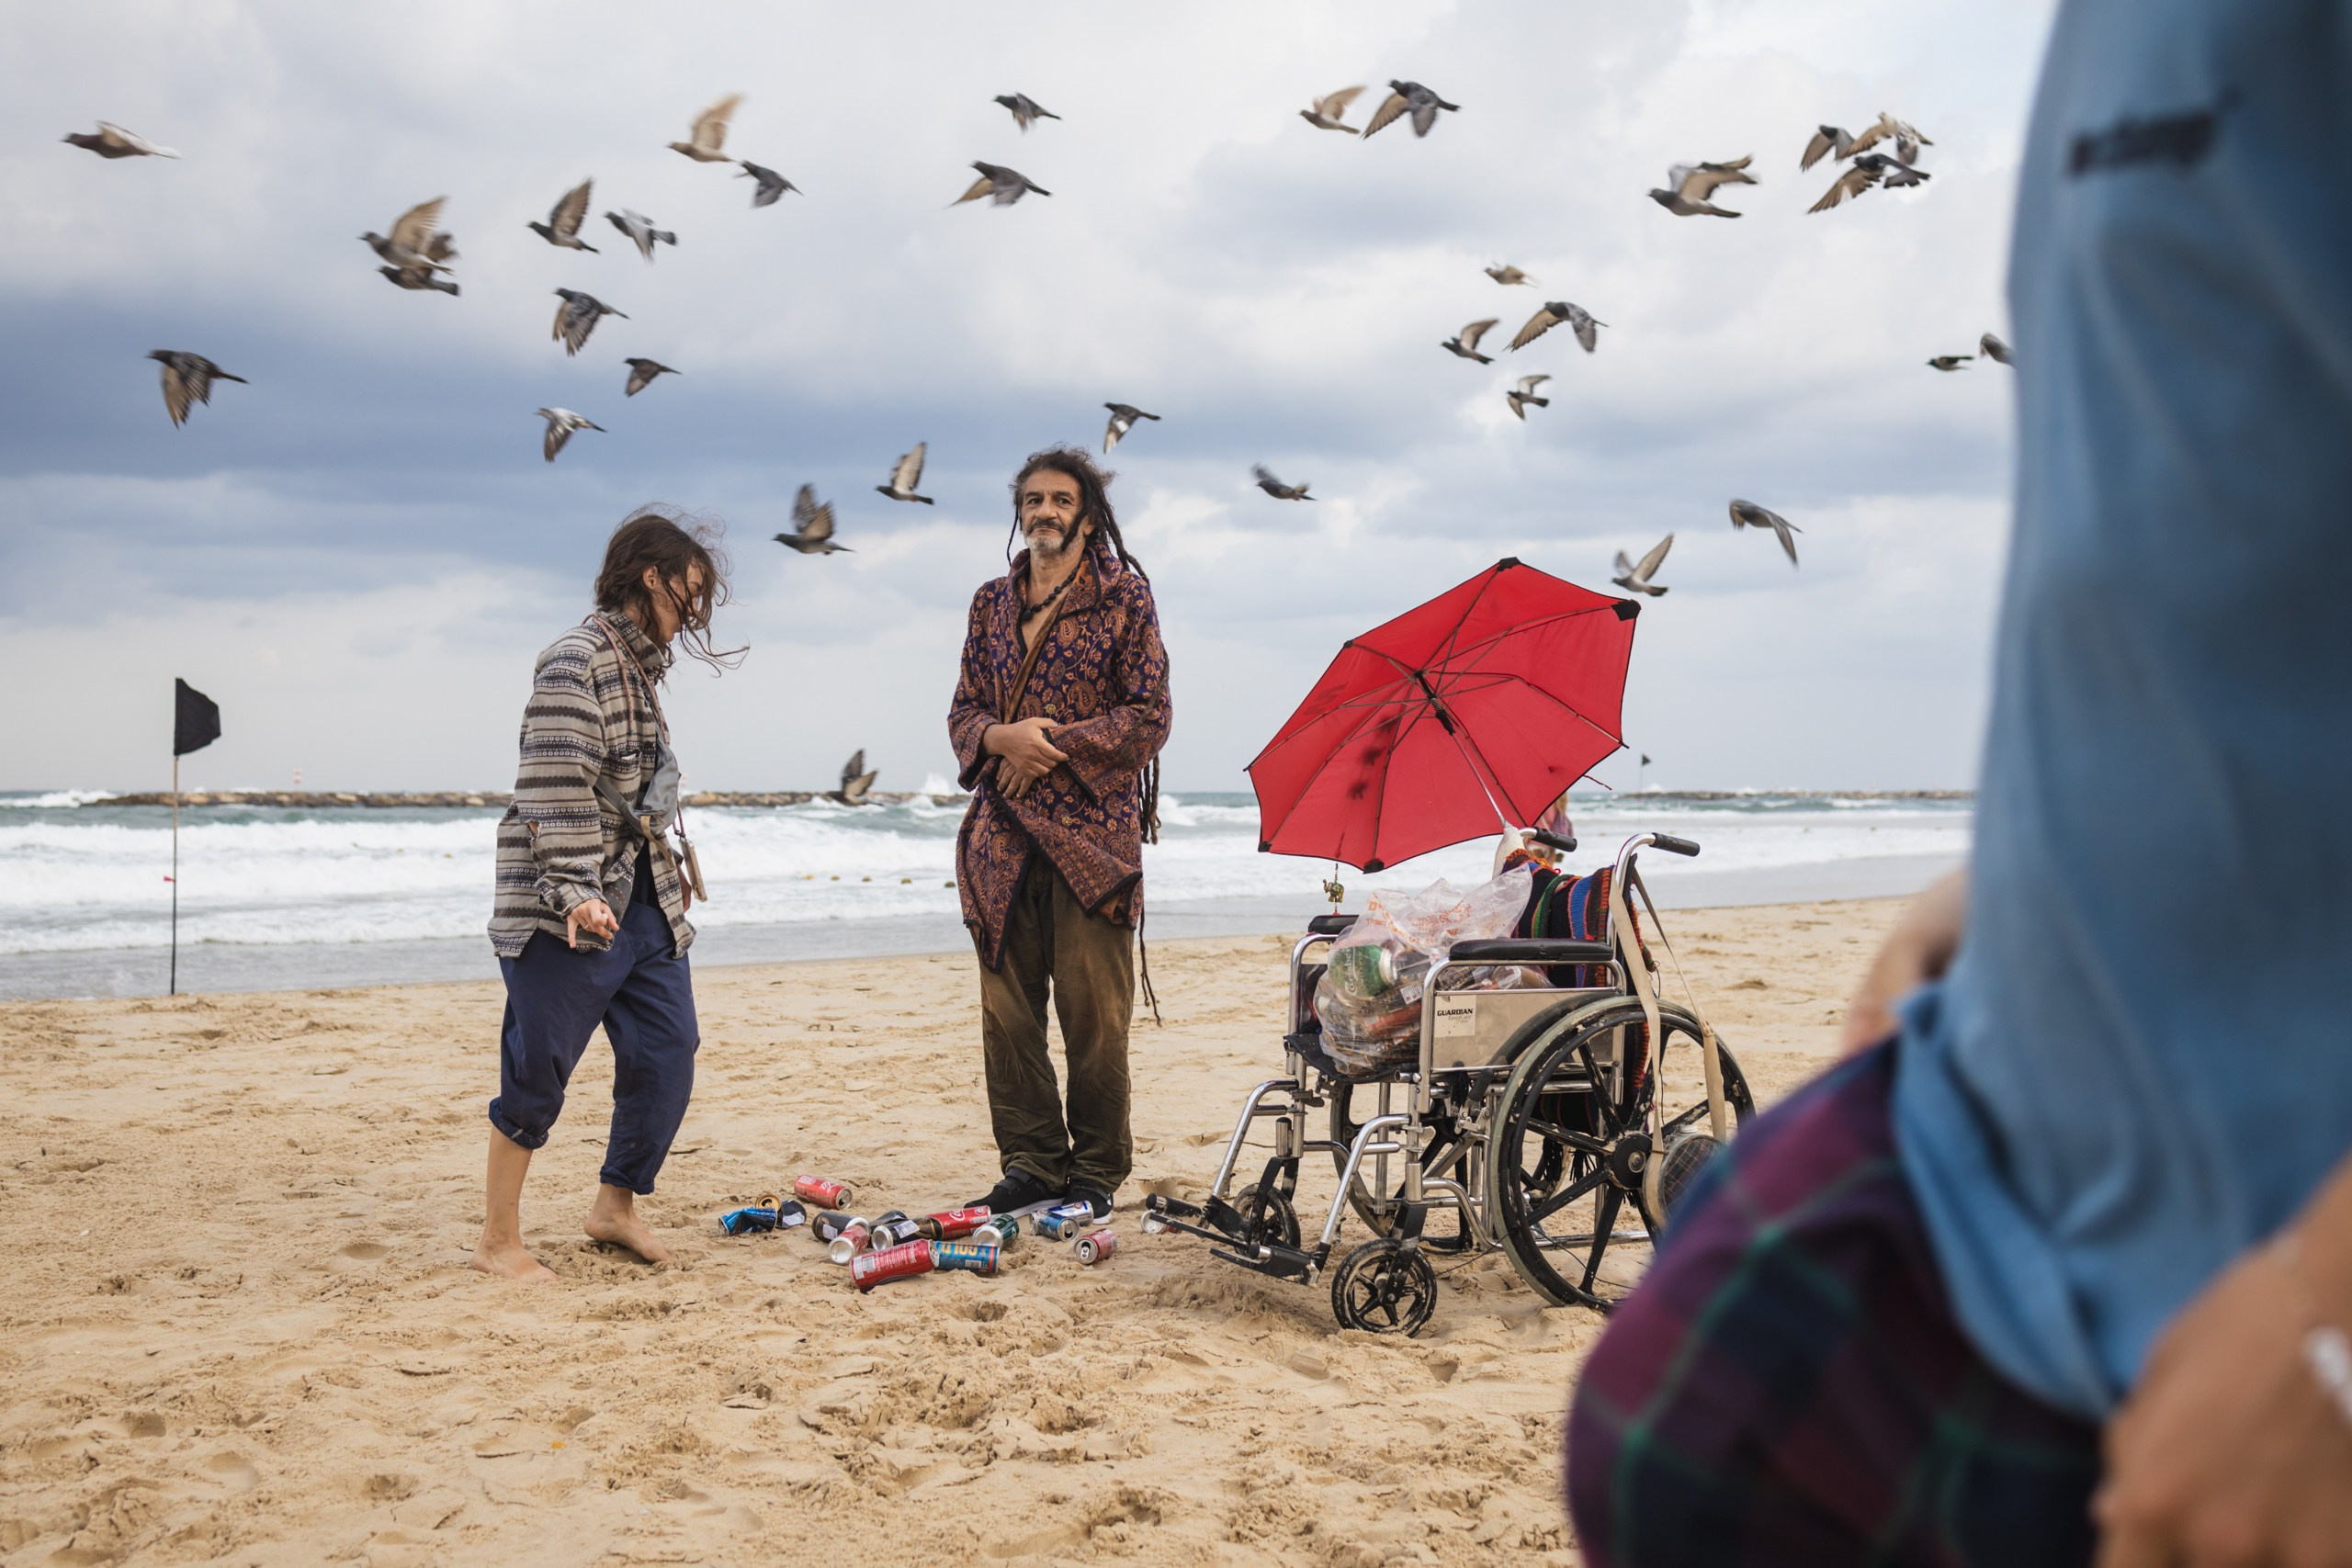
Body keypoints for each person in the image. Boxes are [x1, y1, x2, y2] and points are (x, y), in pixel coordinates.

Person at [1566, 3, 2352, 1562]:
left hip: (2256, 1274)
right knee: (1685, 1433)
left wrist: (2331, 1321)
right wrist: (2022, 882)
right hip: (2012, 1126)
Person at [470, 509, 735, 1280]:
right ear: (649, 577)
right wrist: (577, 893)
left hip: (643, 900)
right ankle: (497, 1241)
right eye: (690, 591)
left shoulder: (642, 668)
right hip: (570, 906)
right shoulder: (575, 660)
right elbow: (552, 787)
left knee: (667, 1049)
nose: (696, 612)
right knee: (537, 1067)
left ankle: (614, 1206)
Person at [948, 446, 1171, 1220]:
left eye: (1060, 499)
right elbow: (963, 714)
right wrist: (1000, 739)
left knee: (1095, 1018)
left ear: (1088, 511)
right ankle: (1032, 1163)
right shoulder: (989, 603)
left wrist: (1048, 748)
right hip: (998, 846)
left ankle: (1096, 1171)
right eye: (1033, 499)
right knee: (1008, 1019)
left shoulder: (1124, 597)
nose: (1045, 511)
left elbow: (1149, 716)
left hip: (1092, 843)